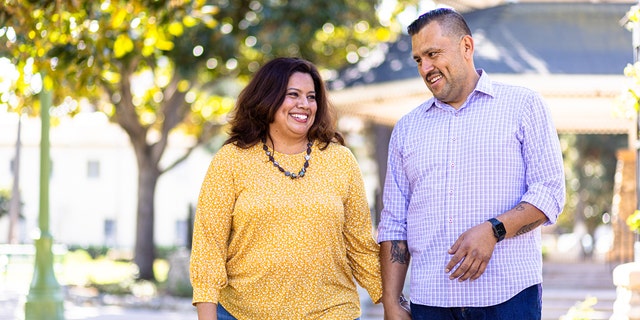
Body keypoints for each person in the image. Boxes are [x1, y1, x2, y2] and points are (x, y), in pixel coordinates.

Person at [377, 8, 565, 320]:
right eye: (418, 60)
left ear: (467, 46)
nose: (425, 68)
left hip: (508, 299)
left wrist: (494, 230)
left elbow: (550, 193)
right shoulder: (407, 129)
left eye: (433, 53)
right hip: (430, 303)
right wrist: (391, 302)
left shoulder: (523, 106)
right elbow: (395, 221)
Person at [189, 57, 382, 320]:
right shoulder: (231, 160)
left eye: (311, 97)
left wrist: (391, 300)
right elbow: (208, 247)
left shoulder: (340, 160)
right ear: (268, 97)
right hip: (243, 313)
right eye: (293, 94)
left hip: (332, 312)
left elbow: (360, 245)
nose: (304, 104)